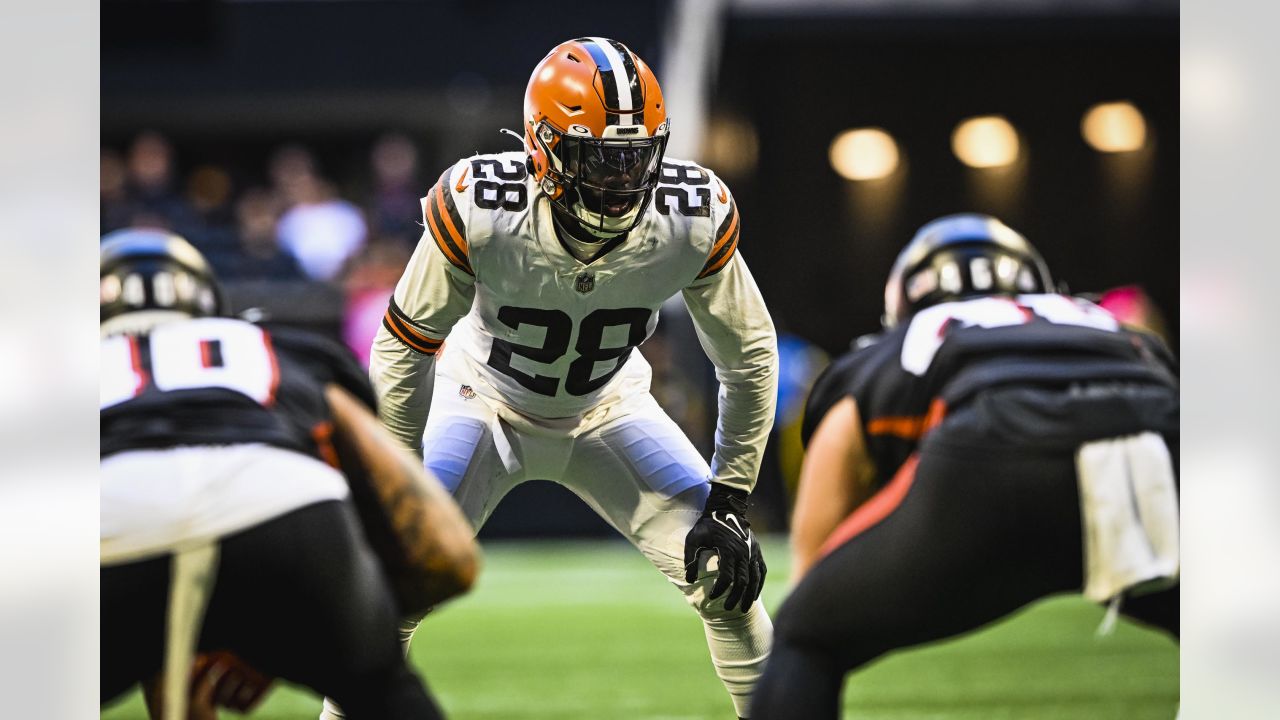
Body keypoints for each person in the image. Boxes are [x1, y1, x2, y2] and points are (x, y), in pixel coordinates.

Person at [358, 37, 778, 719]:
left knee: (726, 577)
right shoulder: (480, 205)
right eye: (599, 160)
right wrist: (399, 486)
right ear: (542, 147)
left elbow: (751, 354)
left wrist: (731, 493)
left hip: (609, 407)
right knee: (388, 588)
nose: (621, 181)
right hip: (483, 401)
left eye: (635, 157)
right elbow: (402, 349)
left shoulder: (692, 215)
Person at [752, 213, 1180, 719]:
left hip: (993, 451)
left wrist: (814, 599)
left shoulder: (909, 340)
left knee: (808, 637)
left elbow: (834, 470)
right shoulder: (1100, 321)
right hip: (1158, 445)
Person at [100, 229, 480, 719]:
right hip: (285, 505)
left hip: (108, 513)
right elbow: (447, 556)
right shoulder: (272, 348)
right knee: (380, 688)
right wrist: (307, 630)